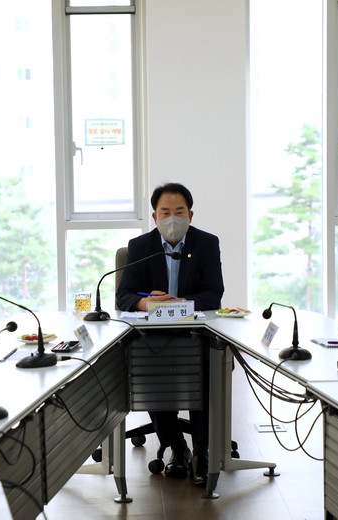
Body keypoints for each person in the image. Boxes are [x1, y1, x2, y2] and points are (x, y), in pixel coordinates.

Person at [116, 182, 224, 486]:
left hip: (195, 332)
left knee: (207, 370)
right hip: (154, 337)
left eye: (179, 212)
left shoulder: (206, 243)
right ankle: (177, 448)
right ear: (154, 216)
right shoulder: (140, 247)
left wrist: (182, 304)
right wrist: (144, 303)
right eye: (165, 212)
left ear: (190, 214)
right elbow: (123, 295)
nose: (172, 219)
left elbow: (214, 294)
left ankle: (201, 451)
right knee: (149, 369)